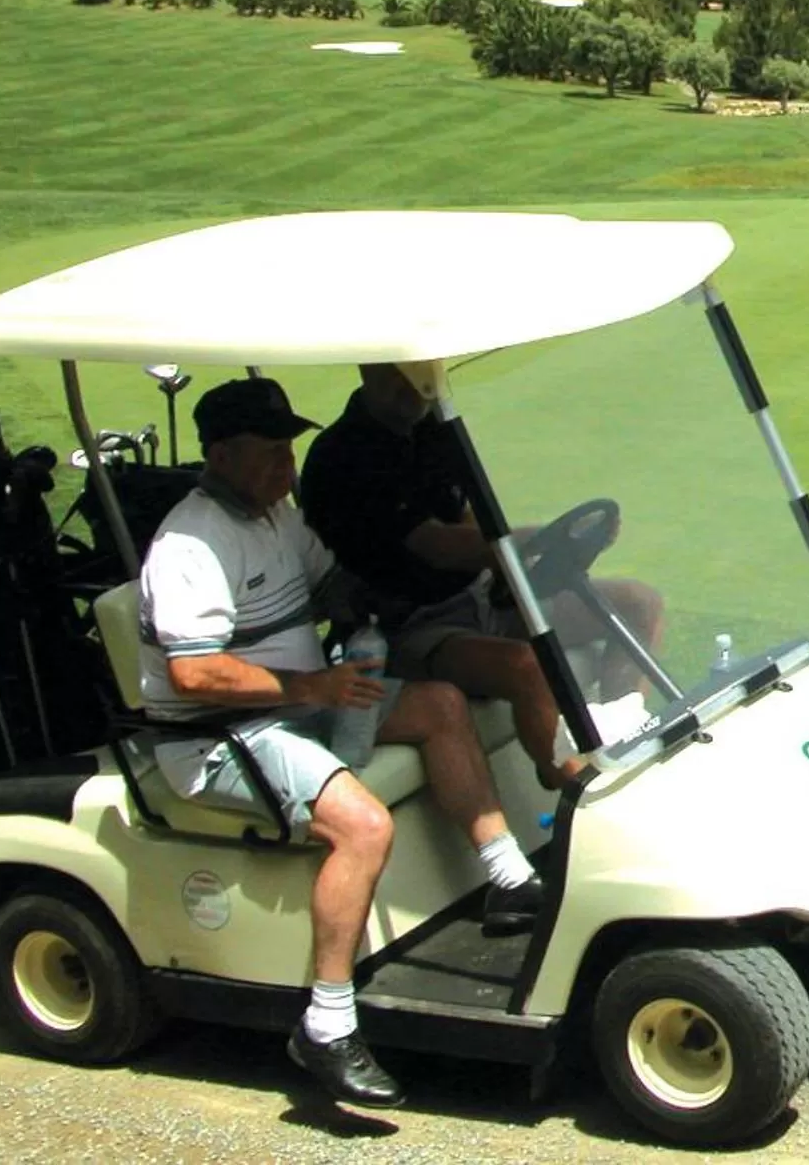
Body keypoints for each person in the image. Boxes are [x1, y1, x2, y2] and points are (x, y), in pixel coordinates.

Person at [140, 375, 546, 1110]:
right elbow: (195, 674)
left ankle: (507, 877)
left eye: (288, 450)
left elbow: (330, 584)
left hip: (300, 705)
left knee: (439, 703)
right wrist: (308, 690)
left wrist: (365, 614)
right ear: (222, 454)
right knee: (363, 825)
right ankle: (327, 1024)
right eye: (269, 453)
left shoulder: (274, 516)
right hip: (218, 737)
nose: (286, 467)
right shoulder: (189, 542)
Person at [300, 362, 663, 788]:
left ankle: (626, 734)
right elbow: (434, 544)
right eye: (398, 374)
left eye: (417, 372)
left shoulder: (431, 425)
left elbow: (467, 514)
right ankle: (573, 785)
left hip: (480, 596)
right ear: (368, 367)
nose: (412, 387)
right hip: (406, 627)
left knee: (640, 603)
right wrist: (524, 543)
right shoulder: (342, 455)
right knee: (528, 666)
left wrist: (520, 562)